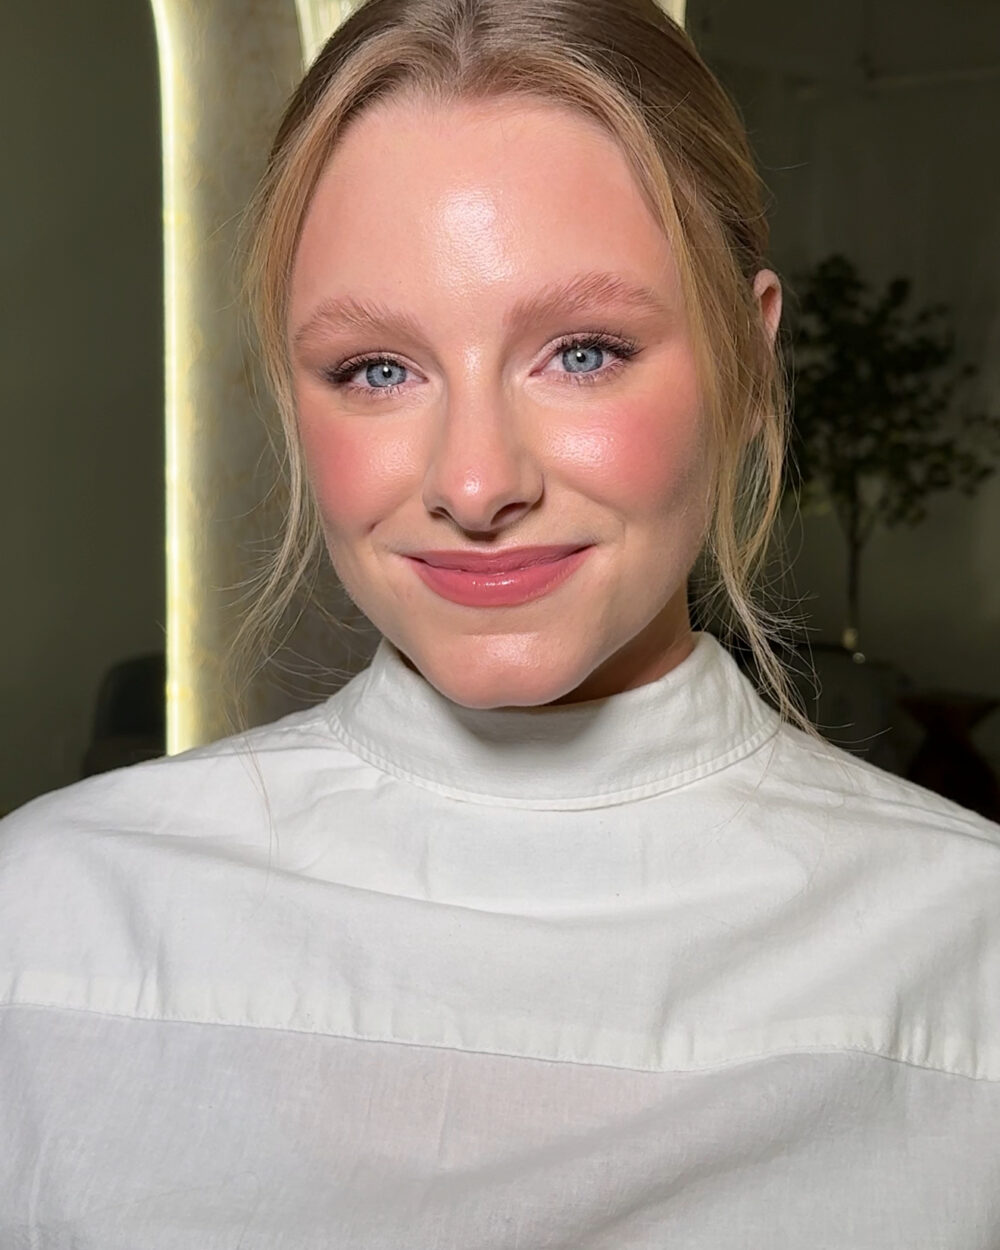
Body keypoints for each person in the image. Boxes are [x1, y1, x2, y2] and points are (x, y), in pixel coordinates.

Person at [1, 0, 998, 1243]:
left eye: (582, 352)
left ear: (747, 364)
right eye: (377, 369)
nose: (475, 484)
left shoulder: (968, 954)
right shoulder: (47, 921)